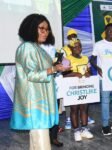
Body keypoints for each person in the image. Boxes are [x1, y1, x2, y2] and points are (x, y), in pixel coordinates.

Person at [10, 14, 70, 150]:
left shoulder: (37, 48)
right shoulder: (27, 48)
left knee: (36, 142)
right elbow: (31, 75)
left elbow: (42, 71)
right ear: (31, 28)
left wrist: (57, 68)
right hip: (35, 105)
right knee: (42, 143)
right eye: (41, 28)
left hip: (40, 104)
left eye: (47, 29)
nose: (45, 32)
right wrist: (54, 68)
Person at [65, 39, 94, 141]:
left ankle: (84, 129)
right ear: (71, 48)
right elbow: (64, 75)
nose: (78, 48)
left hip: (84, 88)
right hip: (73, 89)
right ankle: (76, 131)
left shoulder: (86, 58)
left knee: (84, 108)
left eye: (80, 46)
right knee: (74, 109)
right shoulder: (67, 59)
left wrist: (88, 74)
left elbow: (89, 72)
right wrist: (74, 74)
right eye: (75, 47)